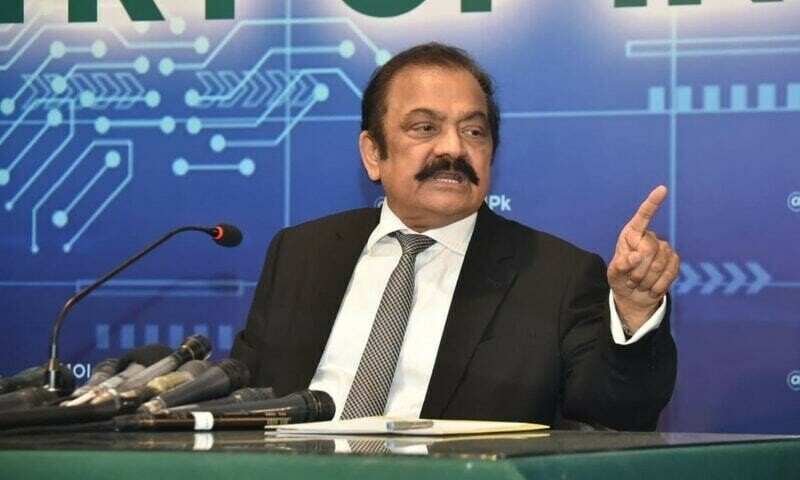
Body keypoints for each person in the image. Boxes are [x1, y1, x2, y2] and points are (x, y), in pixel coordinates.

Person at [231, 43, 678, 431]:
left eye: (473, 131)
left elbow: (617, 415)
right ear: (373, 153)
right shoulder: (300, 253)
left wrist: (634, 311)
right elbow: (241, 400)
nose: (453, 148)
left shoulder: (556, 275)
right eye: (425, 128)